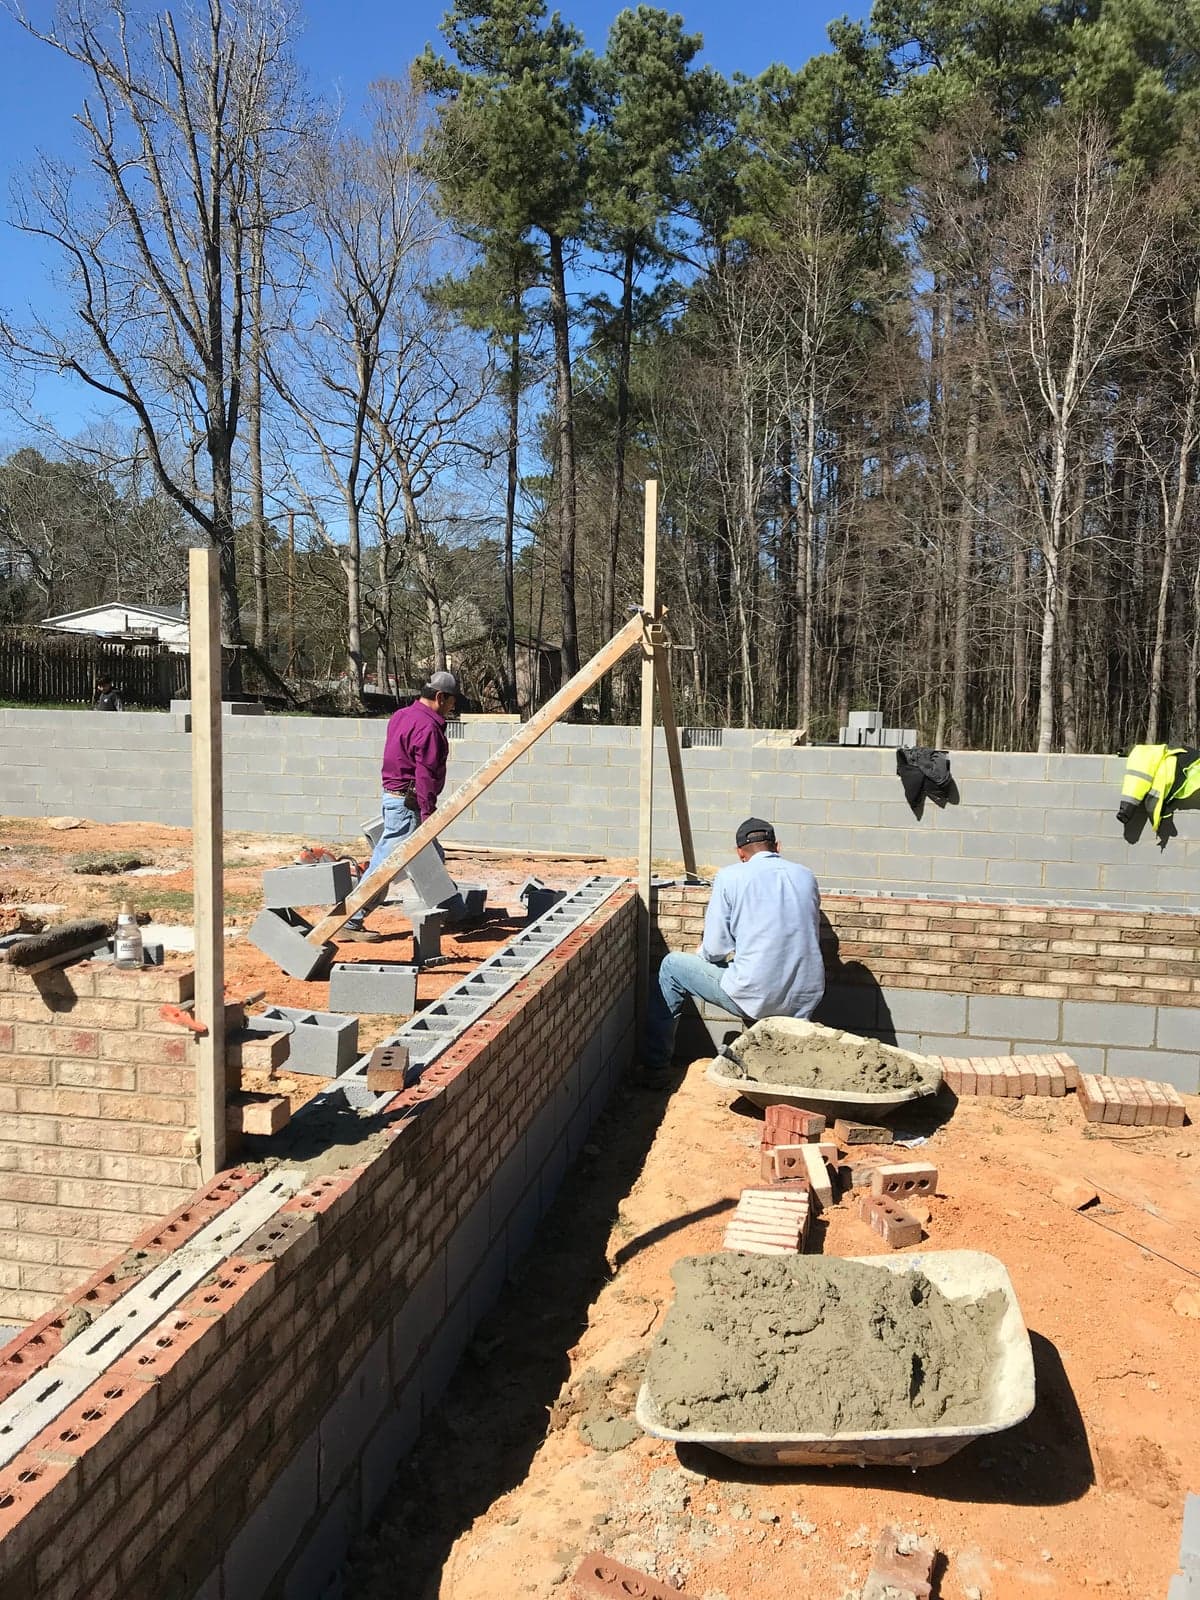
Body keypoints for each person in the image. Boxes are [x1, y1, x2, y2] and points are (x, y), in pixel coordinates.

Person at [641, 817, 824, 1085]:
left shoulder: (730, 876)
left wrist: (702, 960)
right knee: (753, 971)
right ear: (778, 846)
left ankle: (654, 1070)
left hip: (757, 995)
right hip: (805, 998)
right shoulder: (806, 876)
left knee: (672, 967)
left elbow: (715, 949)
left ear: (740, 853)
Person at [343, 670, 458, 942]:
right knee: (386, 863)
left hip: (394, 798)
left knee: (433, 858)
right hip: (410, 805)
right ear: (440, 697)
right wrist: (429, 815)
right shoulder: (428, 727)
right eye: (452, 700)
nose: (454, 706)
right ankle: (353, 917)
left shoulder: (401, 716)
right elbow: (425, 775)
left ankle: (453, 911)